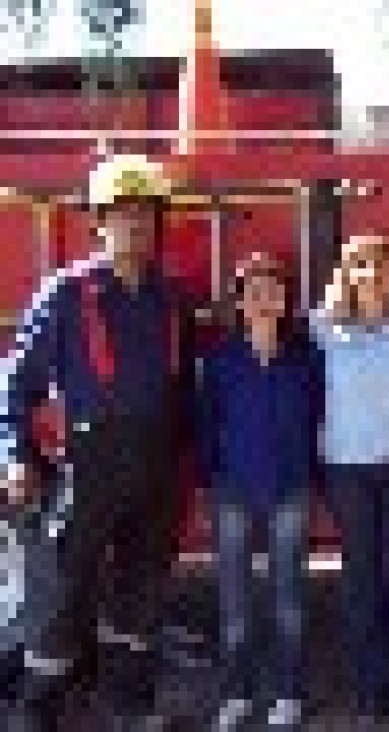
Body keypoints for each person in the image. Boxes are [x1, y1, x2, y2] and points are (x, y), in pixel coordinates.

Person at [1, 154, 188, 730]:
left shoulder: (169, 296)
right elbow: (16, 388)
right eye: (122, 214)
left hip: (156, 464)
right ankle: (38, 712)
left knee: (142, 591)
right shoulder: (65, 295)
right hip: (89, 466)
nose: (135, 225)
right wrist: (15, 457)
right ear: (99, 223)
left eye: (145, 214)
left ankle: (129, 706)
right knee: (62, 594)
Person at [196, 253, 319, 731]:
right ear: (240, 302)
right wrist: (209, 487)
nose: (266, 299)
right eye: (255, 291)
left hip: (291, 487)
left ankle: (287, 692)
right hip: (233, 491)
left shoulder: (305, 357)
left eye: (275, 290)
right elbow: (206, 427)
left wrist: (313, 476)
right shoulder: (221, 360)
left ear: (287, 301)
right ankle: (237, 694)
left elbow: (319, 420)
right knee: (235, 602)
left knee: (288, 598)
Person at [308, 233, 389, 723]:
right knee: (360, 580)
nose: (371, 273)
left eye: (379, 265)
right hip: (346, 469)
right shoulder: (320, 329)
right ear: (347, 273)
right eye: (360, 265)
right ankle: (366, 690)